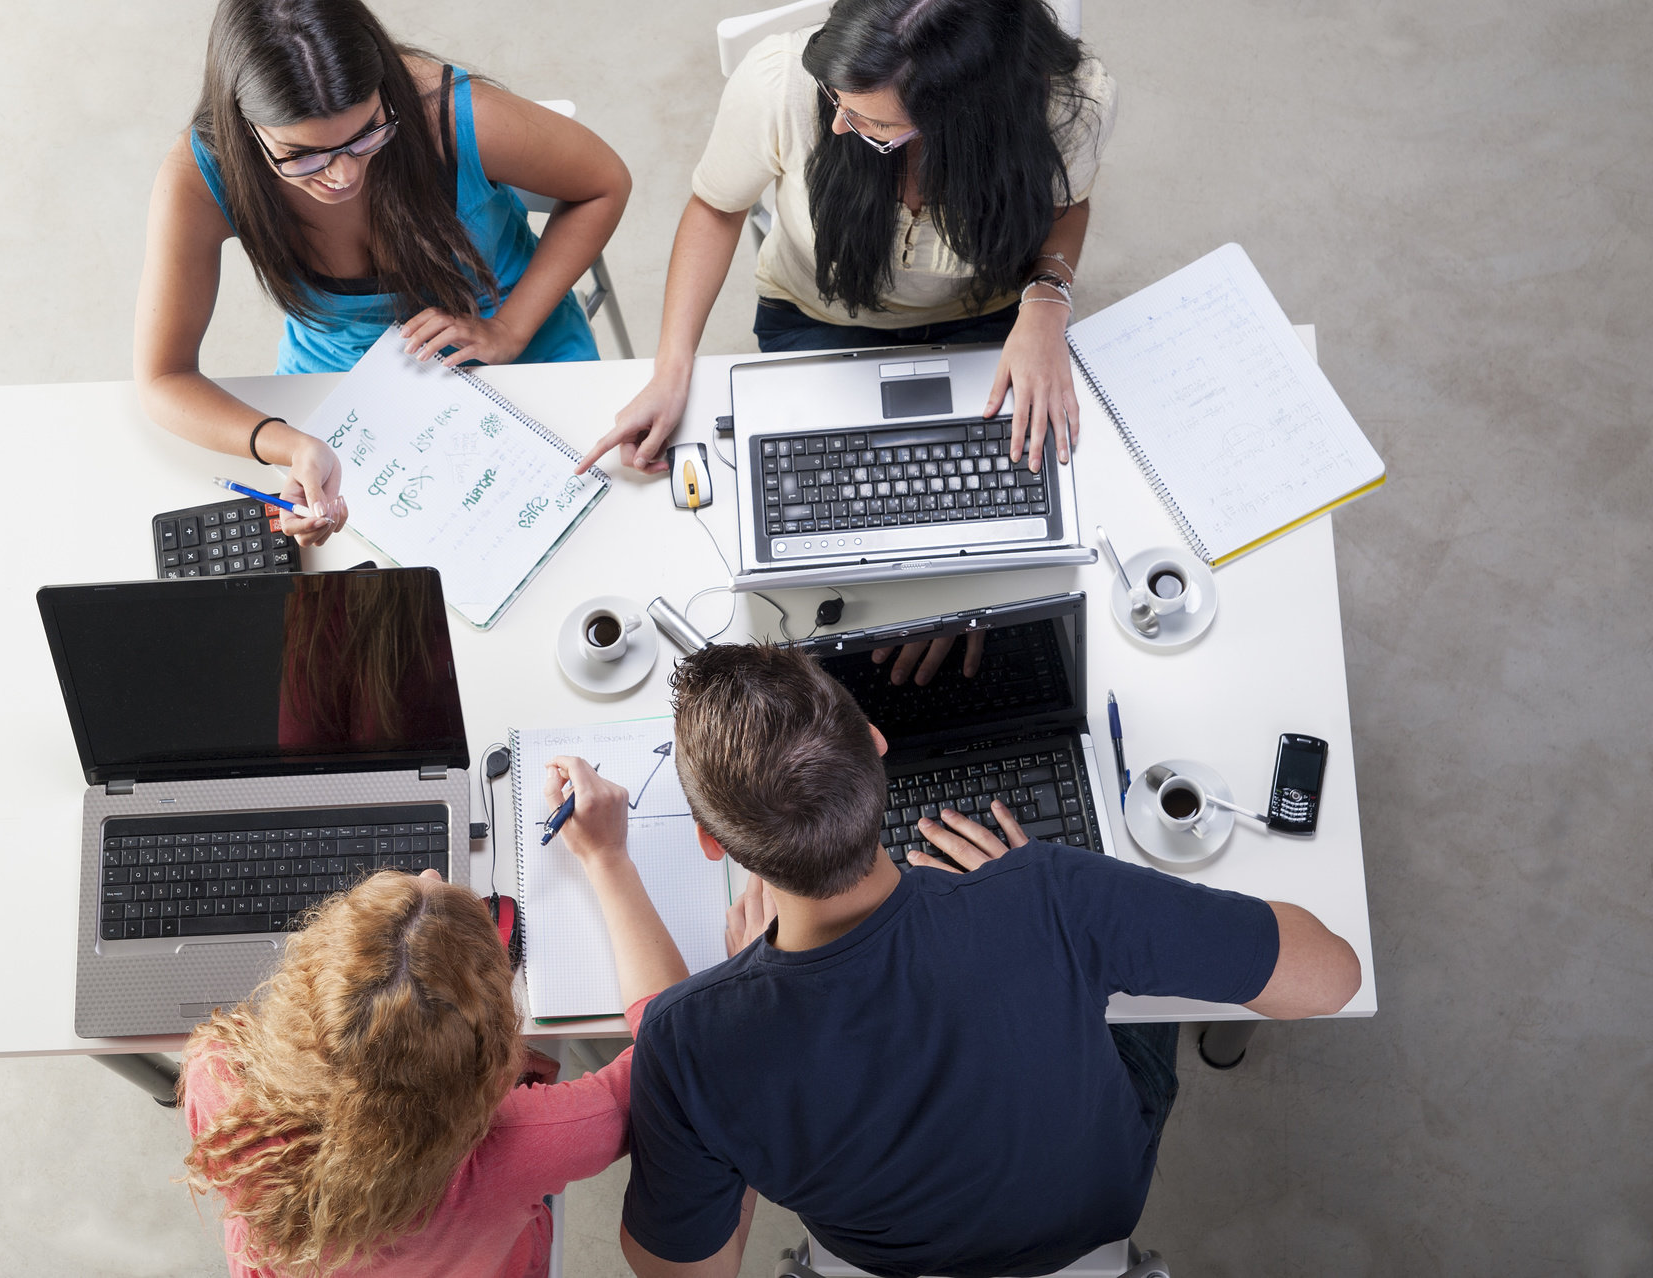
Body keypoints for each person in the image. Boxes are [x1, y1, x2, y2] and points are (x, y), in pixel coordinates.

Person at [619, 644, 1363, 1278]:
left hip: (885, 1255)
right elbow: (1333, 978)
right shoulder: (1048, 891)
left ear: (711, 841)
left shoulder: (687, 1041)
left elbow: (687, 1270)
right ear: (877, 745)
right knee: (1134, 991)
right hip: (1097, 1209)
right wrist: (1033, 887)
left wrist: (740, 1003)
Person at [180, 756, 713, 1278]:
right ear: (495, 1050)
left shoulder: (219, 1075)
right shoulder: (529, 1146)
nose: (432, 871)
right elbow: (676, 1057)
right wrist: (607, 858)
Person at [136, 0, 631, 548]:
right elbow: (163, 379)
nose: (344, 175)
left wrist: (510, 328)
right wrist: (290, 446)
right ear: (243, 127)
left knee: (592, 531)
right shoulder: (201, 175)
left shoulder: (452, 113)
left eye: (367, 132)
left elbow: (604, 183)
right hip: (348, 395)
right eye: (302, 156)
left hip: (519, 347)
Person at [583, 0, 1116, 480]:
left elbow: (1065, 208)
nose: (838, 124)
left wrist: (1046, 303)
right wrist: (672, 370)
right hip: (817, 316)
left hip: (995, 312)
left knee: (1016, 475)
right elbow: (716, 210)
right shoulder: (778, 83)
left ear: (966, 119)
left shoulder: (1071, 104)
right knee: (822, 482)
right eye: (836, 98)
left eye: (871, 121)